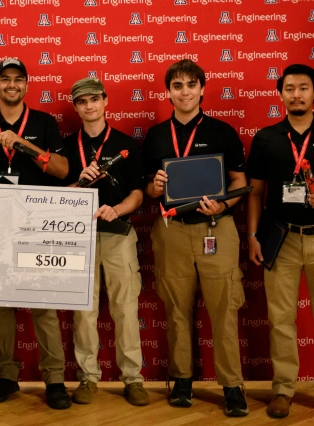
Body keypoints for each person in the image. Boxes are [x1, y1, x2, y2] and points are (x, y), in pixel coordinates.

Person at [142, 59, 248, 417]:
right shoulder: (156, 135)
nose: (184, 91)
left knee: (223, 311)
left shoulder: (222, 131)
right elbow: (146, 188)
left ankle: (232, 386)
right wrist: (154, 188)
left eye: (191, 85)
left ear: (202, 89)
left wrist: (223, 207)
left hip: (216, 231)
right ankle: (182, 379)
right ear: (168, 91)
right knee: (176, 313)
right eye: (177, 85)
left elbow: (238, 181)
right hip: (171, 232)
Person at [0, 58, 71, 409]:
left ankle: (54, 379)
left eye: (18, 80)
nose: (11, 85)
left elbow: (61, 169)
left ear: (27, 85)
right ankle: (6, 376)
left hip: (37, 226)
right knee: (1, 308)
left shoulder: (44, 123)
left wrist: (24, 145)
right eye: (5, 79)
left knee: (43, 306)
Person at [62, 78, 149, 406]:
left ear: (105, 101)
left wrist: (118, 210)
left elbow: (138, 193)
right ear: (76, 107)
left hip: (118, 236)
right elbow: (52, 196)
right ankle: (87, 378)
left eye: (94, 99)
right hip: (78, 238)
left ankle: (133, 379)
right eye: (82, 101)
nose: (89, 106)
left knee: (126, 310)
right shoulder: (66, 146)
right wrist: (78, 184)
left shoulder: (126, 144)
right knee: (84, 312)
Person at [247, 64, 314, 419]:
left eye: (304, 87)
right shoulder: (267, 138)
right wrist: (253, 236)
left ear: (313, 93)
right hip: (282, 238)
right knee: (281, 319)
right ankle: (284, 389)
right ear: (281, 94)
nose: (297, 94)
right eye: (290, 88)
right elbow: (255, 192)